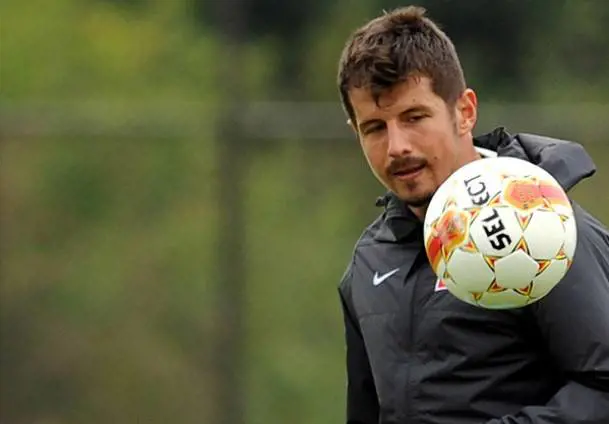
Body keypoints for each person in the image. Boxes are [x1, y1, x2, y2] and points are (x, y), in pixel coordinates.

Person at [336, 5, 609, 424]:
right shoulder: (370, 261)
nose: (396, 146)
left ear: (464, 111)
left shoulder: (542, 228)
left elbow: (602, 387)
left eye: (414, 117)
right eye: (375, 128)